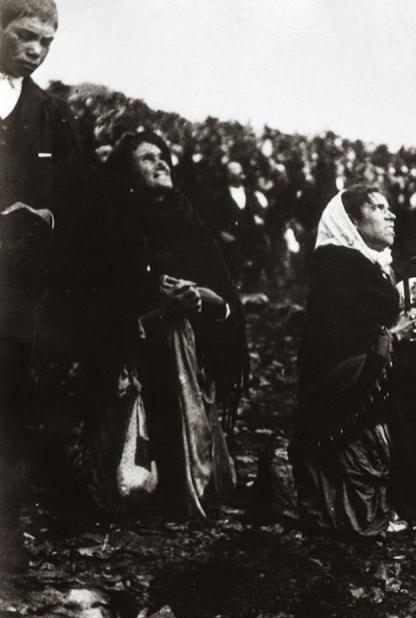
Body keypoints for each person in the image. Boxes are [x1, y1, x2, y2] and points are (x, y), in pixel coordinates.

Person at [85, 131, 247, 518]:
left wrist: (210, 301)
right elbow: (100, 309)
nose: (161, 163)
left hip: (189, 364)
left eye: (163, 156)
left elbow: (226, 301)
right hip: (138, 368)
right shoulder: (111, 226)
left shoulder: (188, 222)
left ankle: (185, 479)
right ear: (126, 170)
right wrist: (158, 310)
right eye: (147, 158)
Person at [0, 0, 87, 570]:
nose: (36, 51)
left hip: (15, 294)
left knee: (7, 409)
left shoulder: (51, 113)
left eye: (47, 43)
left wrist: (45, 217)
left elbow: (75, 199)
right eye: (26, 36)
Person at [291, 185, 416, 538]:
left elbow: (373, 315)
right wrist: (394, 334)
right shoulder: (339, 268)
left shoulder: (369, 265)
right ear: (352, 221)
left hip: (369, 391)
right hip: (343, 401)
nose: (391, 214)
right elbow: (343, 344)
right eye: (379, 208)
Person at [209, 160, 269, 291]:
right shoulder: (221, 196)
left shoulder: (250, 194)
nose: (240, 172)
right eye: (235, 169)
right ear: (228, 175)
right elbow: (214, 220)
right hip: (231, 240)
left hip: (251, 239)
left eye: (240, 169)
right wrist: (221, 233)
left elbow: (259, 212)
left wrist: (259, 218)